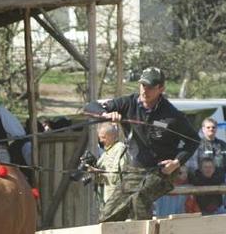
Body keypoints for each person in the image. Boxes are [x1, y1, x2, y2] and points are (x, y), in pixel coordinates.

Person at [85, 66, 199, 222]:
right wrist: (106, 114)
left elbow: (193, 141)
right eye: (143, 85)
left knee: (139, 199)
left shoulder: (172, 115)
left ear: (161, 88)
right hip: (136, 169)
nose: (145, 90)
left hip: (163, 170)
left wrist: (177, 162)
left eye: (150, 87)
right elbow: (90, 106)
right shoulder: (127, 103)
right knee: (107, 217)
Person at [90, 123, 127, 208]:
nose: (101, 140)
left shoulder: (119, 149)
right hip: (105, 197)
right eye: (99, 138)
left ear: (112, 136)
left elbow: (119, 174)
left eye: (103, 137)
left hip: (115, 197)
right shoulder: (105, 153)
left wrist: (101, 172)